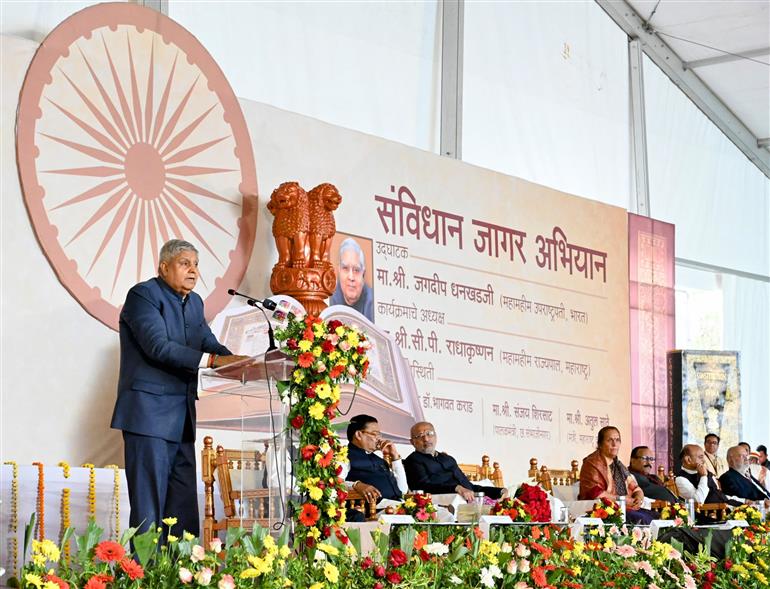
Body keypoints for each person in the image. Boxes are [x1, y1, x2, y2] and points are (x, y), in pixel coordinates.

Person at [111, 239, 246, 537]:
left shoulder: (194, 302)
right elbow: (158, 347)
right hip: (148, 417)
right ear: (163, 267)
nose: (193, 271)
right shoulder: (143, 295)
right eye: (185, 263)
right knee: (149, 511)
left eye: (196, 264)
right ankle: (144, 579)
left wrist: (243, 363)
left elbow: (207, 341)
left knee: (182, 510)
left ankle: (182, 576)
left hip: (182, 419)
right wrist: (215, 360)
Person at [403, 422, 505, 502]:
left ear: (436, 436)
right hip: (442, 506)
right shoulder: (413, 461)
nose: (426, 438)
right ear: (412, 442)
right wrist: (456, 488)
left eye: (429, 433)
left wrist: (499, 491)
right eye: (420, 436)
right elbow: (424, 488)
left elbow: (470, 488)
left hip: (469, 501)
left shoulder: (448, 459)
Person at [578, 426, 654, 524]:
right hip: (604, 510)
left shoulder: (618, 465)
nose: (614, 444)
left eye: (617, 440)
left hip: (625, 507)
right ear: (600, 444)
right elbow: (596, 493)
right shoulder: (592, 463)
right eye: (610, 440)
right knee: (643, 520)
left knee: (657, 518)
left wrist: (638, 499)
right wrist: (623, 500)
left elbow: (636, 488)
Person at [344, 414, 408, 503]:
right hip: (372, 510)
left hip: (395, 506)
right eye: (375, 434)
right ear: (358, 434)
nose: (379, 438)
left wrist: (395, 457)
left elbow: (403, 490)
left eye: (379, 434)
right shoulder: (344, 456)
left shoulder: (379, 460)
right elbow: (336, 483)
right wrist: (356, 485)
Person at [675, 444, 742, 510]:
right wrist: (703, 477)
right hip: (712, 513)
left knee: (748, 507)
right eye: (700, 457)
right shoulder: (681, 479)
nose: (704, 461)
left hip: (726, 505)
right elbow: (698, 501)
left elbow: (719, 494)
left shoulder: (707, 473)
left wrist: (744, 501)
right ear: (688, 460)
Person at [329, 238, 374, 321]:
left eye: (356, 270)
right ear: (339, 270)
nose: (351, 277)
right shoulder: (330, 296)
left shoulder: (372, 301)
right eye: (345, 268)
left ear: (363, 273)